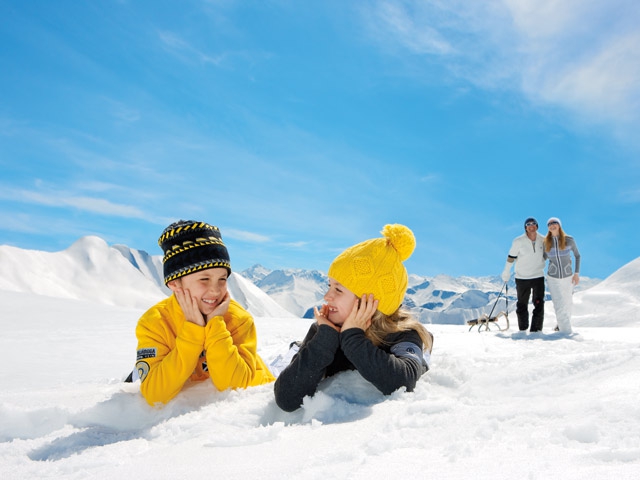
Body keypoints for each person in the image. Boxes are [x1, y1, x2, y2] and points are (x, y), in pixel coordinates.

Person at [274, 224, 434, 413]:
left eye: (338, 290)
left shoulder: (403, 333)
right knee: (298, 350)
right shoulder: (326, 329)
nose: (327, 296)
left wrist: (353, 338)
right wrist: (324, 340)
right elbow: (287, 398)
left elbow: (403, 383)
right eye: (329, 286)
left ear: (370, 303)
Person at [133, 220, 275, 406]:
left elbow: (236, 386)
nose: (215, 291)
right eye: (204, 279)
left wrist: (215, 323)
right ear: (174, 284)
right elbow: (154, 394)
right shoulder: (155, 323)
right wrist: (193, 331)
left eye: (222, 279)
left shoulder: (238, 319)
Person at [501, 217, 546, 332]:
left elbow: (548, 255)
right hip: (522, 277)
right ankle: (522, 329)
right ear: (525, 227)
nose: (531, 226)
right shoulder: (518, 241)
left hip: (538, 276)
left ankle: (536, 330)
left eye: (534, 224)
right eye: (528, 224)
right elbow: (511, 257)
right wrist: (506, 271)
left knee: (539, 303)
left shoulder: (543, 240)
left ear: (537, 226)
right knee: (522, 304)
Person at [544, 217, 581, 333]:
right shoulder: (546, 243)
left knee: (567, 302)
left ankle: (561, 325)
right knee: (559, 303)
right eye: (549, 224)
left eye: (554, 223)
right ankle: (566, 332)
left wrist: (576, 274)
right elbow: (542, 258)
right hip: (552, 277)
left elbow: (577, 256)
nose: (552, 225)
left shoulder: (569, 240)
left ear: (559, 225)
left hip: (568, 276)